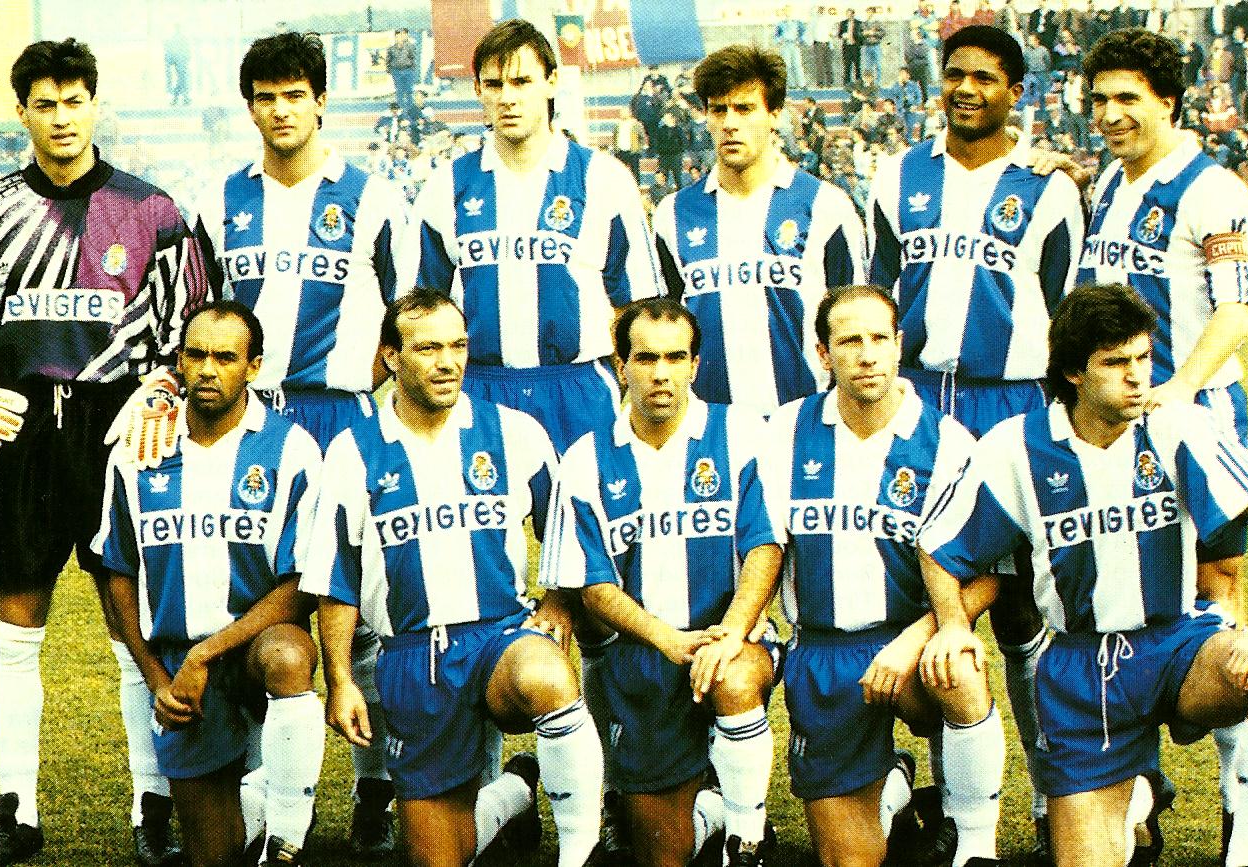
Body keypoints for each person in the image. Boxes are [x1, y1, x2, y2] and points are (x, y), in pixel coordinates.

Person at [0, 38, 210, 867]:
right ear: (23, 112)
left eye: (75, 101)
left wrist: (163, 385)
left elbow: (198, 324)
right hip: (21, 429)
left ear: (95, 104)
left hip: (122, 433)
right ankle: (19, 812)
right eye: (46, 104)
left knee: (134, 630)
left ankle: (151, 806)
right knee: (16, 629)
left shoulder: (152, 210)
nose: (62, 117)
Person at [121, 31, 409, 858]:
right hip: (247, 423)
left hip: (341, 416)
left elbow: (408, 314)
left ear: (322, 100)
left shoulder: (374, 198)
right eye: (266, 97)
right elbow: (193, 316)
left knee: (368, 613)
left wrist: (370, 397)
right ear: (249, 107)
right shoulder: (218, 202)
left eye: (295, 94)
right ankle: (183, 792)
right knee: (227, 602)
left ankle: (374, 788)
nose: (281, 110)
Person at [918, 282, 1248, 867]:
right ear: (1074, 372)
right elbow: (938, 546)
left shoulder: (1177, 425)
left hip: (1178, 646)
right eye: (1116, 363)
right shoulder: (1016, 448)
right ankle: (1135, 792)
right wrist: (951, 624)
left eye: (1144, 358)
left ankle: (1244, 858)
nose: (1138, 377)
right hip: (1079, 675)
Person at [865, 25, 1084, 859]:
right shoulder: (897, 175)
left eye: (985, 78)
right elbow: (877, 293)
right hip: (919, 401)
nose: (965, 88)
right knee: (920, 599)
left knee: (1024, 610)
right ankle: (942, 796)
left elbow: (1065, 312)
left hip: (1010, 402)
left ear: (1015, 92)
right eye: (954, 74)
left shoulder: (1048, 189)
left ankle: (1051, 791)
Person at [302, 290, 605, 867]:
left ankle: (579, 853)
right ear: (390, 356)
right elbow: (336, 579)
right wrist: (339, 679)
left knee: (546, 675)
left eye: (458, 346)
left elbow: (567, 532)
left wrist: (559, 603)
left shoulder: (514, 432)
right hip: (411, 658)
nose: (448, 363)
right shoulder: (352, 451)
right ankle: (515, 792)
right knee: (440, 857)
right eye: (428, 349)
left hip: (499, 638)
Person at [1078, 31, 1248, 845]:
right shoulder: (1109, 183)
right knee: (1127, 604)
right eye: (1099, 100)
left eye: (1128, 98)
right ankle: (1140, 792)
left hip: (1194, 423)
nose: (1109, 114)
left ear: (1168, 100)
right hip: (1118, 430)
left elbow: (1239, 308)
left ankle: (1239, 800)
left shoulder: (1212, 189)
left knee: (1215, 607)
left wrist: (1180, 387)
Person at [761, 285, 1004, 867]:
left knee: (960, 668)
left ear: (899, 345)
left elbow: (992, 573)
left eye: (878, 339)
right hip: (823, 652)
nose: (867, 355)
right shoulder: (786, 431)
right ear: (824, 354)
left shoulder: (947, 442)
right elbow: (763, 546)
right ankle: (893, 788)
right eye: (850, 341)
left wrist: (916, 640)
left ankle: (973, 844)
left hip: (914, 646)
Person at [542, 298, 784, 866]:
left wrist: (730, 632)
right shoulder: (585, 459)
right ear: (620, 365)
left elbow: (764, 546)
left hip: (732, 642)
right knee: (661, 855)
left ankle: (746, 838)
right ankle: (713, 811)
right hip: (642, 659)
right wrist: (666, 639)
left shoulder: (741, 433)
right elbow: (593, 585)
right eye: (646, 358)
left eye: (676, 358)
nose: (661, 373)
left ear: (695, 365)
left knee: (734, 678)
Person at [95, 302, 326, 866]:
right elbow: (119, 571)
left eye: (225, 358)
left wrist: (208, 653)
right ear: (178, 361)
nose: (206, 370)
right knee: (213, 856)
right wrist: (156, 677)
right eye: (195, 355)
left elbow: (303, 583)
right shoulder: (139, 450)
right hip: (179, 665)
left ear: (254, 366)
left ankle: (285, 837)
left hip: (253, 650)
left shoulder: (290, 448)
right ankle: (258, 798)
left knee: (290, 655)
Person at [412, 18, 662, 455]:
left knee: (585, 501)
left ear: (551, 82)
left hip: (577, 387)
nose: (507, 98)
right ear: (478, 90)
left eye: (521, 81)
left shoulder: (604, 179)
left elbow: (639, 305)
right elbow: (418, 307)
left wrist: (621, 379)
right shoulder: (445, 187)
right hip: (480, 387)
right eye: (494, 84)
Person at [653, 44, 866, 418]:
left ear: (775, 114)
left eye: (745, 108)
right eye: (718, 110)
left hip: (804, 420)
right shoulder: (672, 214)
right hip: (709, 428)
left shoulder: (826, 206)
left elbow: (856, 321)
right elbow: (664, 329)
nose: (729, 123)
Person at [385, 30, 420, 120]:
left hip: (408, 71)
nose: (399, 39)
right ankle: (400, 110)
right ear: (395, 38)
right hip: (396, 72)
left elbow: (413, 58)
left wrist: (411, 69)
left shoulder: (410, 47)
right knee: (399, 91)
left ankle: (410, 110)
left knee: (409, 91)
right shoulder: (391, 49)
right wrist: (390, 70)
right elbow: (388, 60)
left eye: (401, 36)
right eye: (397, 37)